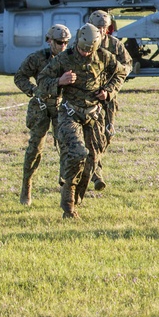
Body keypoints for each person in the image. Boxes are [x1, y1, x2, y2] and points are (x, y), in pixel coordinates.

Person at [36, 24, 128, 219]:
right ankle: (68, 197)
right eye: (83, 49)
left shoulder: (104, 56)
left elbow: (121, 73)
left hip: (94, 114)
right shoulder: (64, 58)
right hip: (70, 113)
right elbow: (42, 81)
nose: (85, 53)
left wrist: (108, 91)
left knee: (93, 160)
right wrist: (60, 81)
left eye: (89, 50)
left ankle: (75, 199)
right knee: (78, 153)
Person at [13, 24, 72, 206]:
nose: (63, 46)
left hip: (61, 107)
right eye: (59, 42)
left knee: (65, 147)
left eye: (66, 43)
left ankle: (66, 188)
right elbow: (20, 76)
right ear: (49, 41)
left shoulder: (70, 59)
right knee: (35, 149)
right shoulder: (37, 58)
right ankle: (26, 186)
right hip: (40, 108)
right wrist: (32, 90)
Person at [87, 10, 132, 192]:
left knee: (107, 134)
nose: (102, 31)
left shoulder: (115, 45)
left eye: (104, 28)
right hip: (88, 97)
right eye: (98, 27)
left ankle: (91, 166)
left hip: (109, 97)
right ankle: (96, 174)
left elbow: (127, 65)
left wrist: (111, 85)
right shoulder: (84, 43)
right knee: (91, 137)